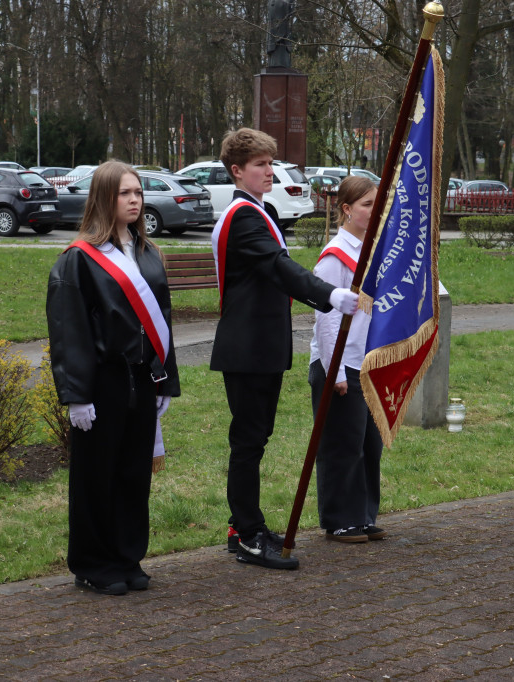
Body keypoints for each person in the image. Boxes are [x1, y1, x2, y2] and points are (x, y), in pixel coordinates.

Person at [211, 128, 359, 570]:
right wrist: (330, 295)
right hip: (249, 347)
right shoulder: (244, 216)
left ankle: (246, 525)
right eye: (260, 165)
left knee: (254, 439)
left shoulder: (259, 209)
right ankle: (246, 533)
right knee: (249, 442)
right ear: (237, 171)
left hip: (258, 345)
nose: (269, 172)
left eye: (271, 163)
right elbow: (279, 267)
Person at [46, 161, 180, 595]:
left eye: (138, 192)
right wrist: (77, 395)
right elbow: (69, 332)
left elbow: (164, 322)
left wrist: (166, 381)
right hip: (101, 382)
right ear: (104, 197)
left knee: (132, 473)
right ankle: (92, 562)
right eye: (125, 193)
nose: (135, 199)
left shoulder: (149, 253)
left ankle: (127, 556)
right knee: (96, 475)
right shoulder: (79, 260)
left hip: (142, 378)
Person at [308, 176, 385, 543]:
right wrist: (333, 369)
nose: (373, 211)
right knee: (342, 445)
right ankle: (340, 520)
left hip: (367, 363)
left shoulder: (373, 250)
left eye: (377, 204)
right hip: (338, 365)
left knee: (370, 444)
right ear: (347, 209)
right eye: (367, 204)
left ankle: (365, 515)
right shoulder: (334, 256)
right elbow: (326, 317)